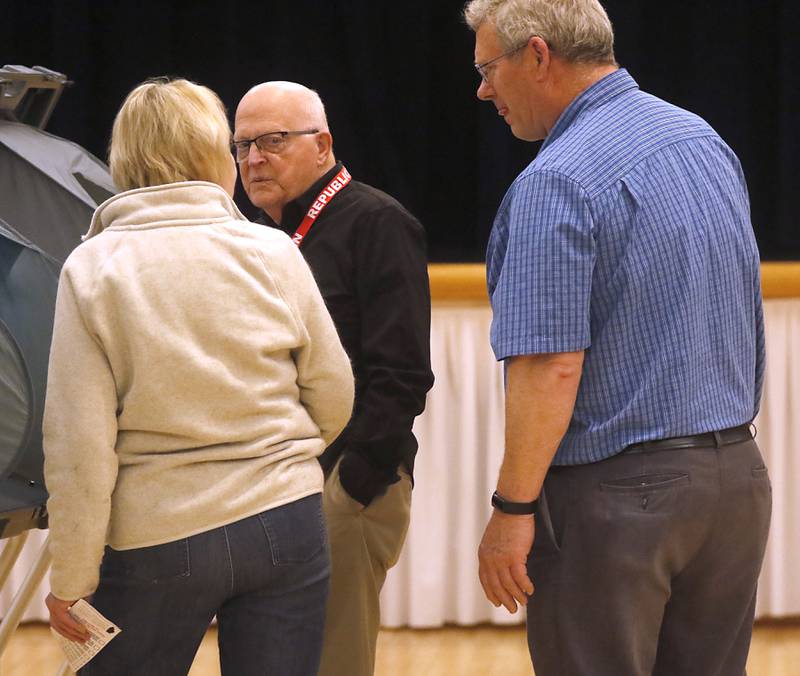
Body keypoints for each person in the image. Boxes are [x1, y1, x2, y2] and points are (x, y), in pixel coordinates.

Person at [464, 1, 771, 675]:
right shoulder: (701, 140)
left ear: (538, 55)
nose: (483, 89)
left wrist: (512, 508)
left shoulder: (556, 180)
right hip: (736, 485)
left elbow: (551, 367)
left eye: (489, 68)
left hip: (619, 502)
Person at [43, 77, 354, 676]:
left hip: (158, 536)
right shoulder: (272, 250)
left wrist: (73, 578)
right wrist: (282, 457)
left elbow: (79, 447)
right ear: (217, 153)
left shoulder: (93, 268)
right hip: (287, 521)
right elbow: (335, 394)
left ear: (124, 160)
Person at [234, 81, 434, 676]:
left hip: (341, 485)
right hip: (261, 485)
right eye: (242, 144)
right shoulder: (254, 237)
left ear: (322, 144)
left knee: (331, 663)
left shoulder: (377, 223)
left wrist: (349, 487)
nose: (254, 159)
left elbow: (401, 375)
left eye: (272, 140)